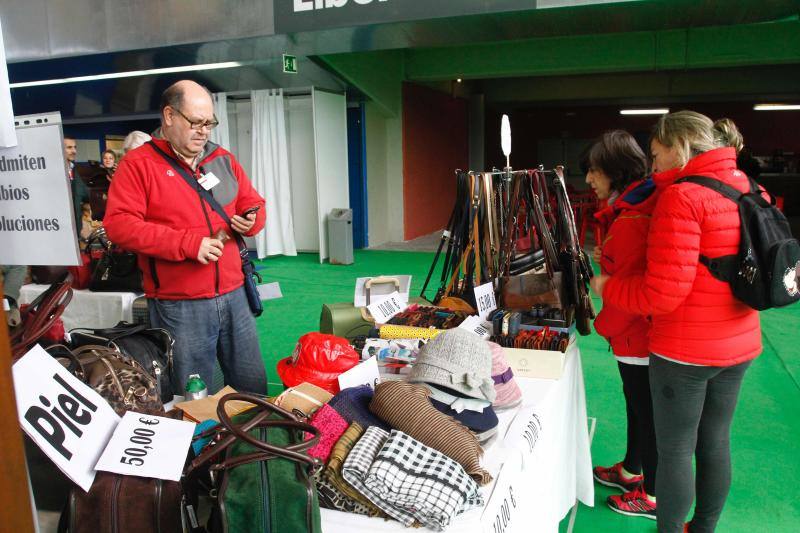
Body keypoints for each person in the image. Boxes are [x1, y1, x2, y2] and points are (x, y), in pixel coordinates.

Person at [591, 111, 760, 533]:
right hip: (738, 342)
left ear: (677, 146)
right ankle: (701, 528)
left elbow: (661, 293)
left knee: (676, 448)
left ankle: (668, 527)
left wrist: (606, 286)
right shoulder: (743, 185)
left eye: (656, 152)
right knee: (716, 440)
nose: (654, 163)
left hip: (686, 350)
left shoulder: (682, 197)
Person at [103, 80, 268, 395]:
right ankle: (201, 445)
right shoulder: (138, 165)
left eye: (209, 123)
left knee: (252, 388)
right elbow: (119, 225)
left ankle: (257, 442)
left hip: (235, 295)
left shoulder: (222, 159)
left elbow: (253, 203)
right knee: (193, 394)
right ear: (169, 116)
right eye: (195, 122)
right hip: (180, 305)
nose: (204, 131)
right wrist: (188, 245)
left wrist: (252, 220)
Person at [583, 130, 659, 519]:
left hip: (638, 333)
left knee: (647, 412)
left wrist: (602, 323)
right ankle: (632, 470)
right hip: (633, 334)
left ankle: (652, 494)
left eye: (594, 171)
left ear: (615, 171)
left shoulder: (631, 219)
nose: (589, 180)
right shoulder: (626, 212)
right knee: (636, 403)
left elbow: (632, 293)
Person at [64, 136, 89, 236]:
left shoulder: (76, 170)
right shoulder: (51, 172)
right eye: (69, 147)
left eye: (75, 147)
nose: (74, 151)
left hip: (76, 227)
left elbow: (85, 195)